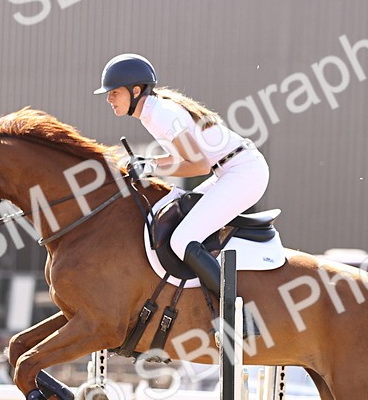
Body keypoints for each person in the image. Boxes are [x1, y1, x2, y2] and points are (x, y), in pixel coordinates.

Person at [96, 53, 269, 298]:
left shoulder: (160, 113)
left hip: (244, 173)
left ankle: (236, 310)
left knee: (182, 240)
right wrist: (148, 164)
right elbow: (188, 160)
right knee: (177, 216)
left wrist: (150, 167)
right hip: (231, 170)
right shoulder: (152, 111)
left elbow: (198, 166)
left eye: (114, 92)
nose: (108, 98)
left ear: (135, 90)